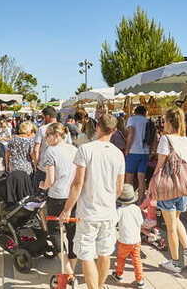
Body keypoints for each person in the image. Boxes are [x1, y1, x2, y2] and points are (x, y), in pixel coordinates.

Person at [59, 114, 125, 289]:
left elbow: (77, 184)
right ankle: (100, 285)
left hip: (88, 212)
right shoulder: (118, 154)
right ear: (115, 131)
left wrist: (67, 209)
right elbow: (119, 188)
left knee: (87, 254)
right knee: (104, 253)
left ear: (97, 127)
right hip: (109, 211)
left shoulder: (85, 149)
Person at [151, 107, 187, 273]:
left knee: (170, 227)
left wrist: (152, 183)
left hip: (168, 187)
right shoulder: (186, 140)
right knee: (176, 221)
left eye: (164, 120)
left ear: (169, 122)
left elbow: (160, 165)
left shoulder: (165, 139)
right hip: (183, 187)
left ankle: (176, 263)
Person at [39, 123, 79, 280]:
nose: (46, 139)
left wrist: (43, 185)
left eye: (47, 135)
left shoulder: (50, 151)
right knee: (72, 232)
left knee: (54, 230)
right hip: (74, 196)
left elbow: (50, 179)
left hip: (57, 196)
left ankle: (67, 269)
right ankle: (71, 272)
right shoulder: (74, 149)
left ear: (56, 135)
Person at [111, 184, 145, 288]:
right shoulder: (137, 209)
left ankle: (119, 274)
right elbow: (141, 222)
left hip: (124, 240)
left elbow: (113, 222)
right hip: (136, 240)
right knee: (136, 260)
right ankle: (140, 280)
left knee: (121, 258)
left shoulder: (120, 210)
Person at [34, 107, 70, 180]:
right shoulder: (64, 128)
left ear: (47, 116)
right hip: (61, 166)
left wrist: (36, 163)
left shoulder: (42, 129)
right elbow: (69, 145)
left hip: (44, 167)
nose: (43, 119)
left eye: (43, 117)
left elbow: (36, 149)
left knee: (41, 189)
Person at [125, 106, 150, 196]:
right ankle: (140, 201)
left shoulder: (132, 119)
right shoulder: (147, 121)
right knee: (141, 178)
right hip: (145, 152)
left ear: (135, 112)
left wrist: (127, 149)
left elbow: (131, 134)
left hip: (133, 151)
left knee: (129, 177)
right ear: (144, 112)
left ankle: (129, 199)